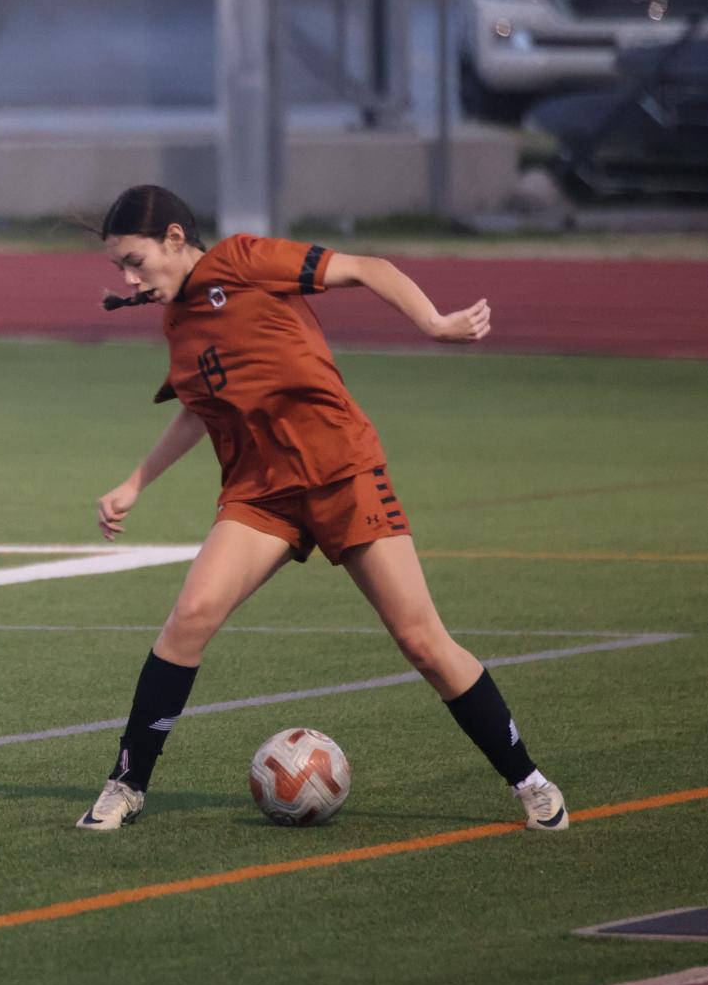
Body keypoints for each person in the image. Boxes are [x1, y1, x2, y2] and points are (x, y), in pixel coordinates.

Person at [77, 185, 567, 833]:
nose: (128, 277)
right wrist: (135, 482)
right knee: (189, 617)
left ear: (174, 238)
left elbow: (370, 269)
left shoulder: (244, 259)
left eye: (133, 260)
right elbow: (201, 405)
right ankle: (126, 785)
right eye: (119, 268)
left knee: (422, 642)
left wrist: (433, 323)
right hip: (260, 493)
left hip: (341, 473)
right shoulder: (177, 319)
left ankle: (530, 784)